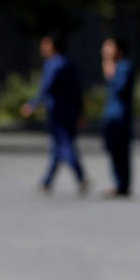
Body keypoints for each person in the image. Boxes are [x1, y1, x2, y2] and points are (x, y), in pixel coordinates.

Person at [21, 34, 87, 194]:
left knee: (64, 145)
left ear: (53, 46)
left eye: (45, 44)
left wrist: (32, 104)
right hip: (69, 111)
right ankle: (47, 181)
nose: (42, 48)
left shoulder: (54, 65)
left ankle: (80, 177)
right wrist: (79, 111)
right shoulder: (67, 63)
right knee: (58, 146)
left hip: (58, 112)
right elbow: (77, 90)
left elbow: (46, 88)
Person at [100, 37, 134, 197]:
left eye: (109, 47)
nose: (105, 51)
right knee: (113, 149)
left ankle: (122, 184)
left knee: (121, 150)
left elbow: (120, 88)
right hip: (112, 114)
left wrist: (110, 74)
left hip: (120, 115)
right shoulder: (116, 66)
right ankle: (119, 183)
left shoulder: (124, 66)